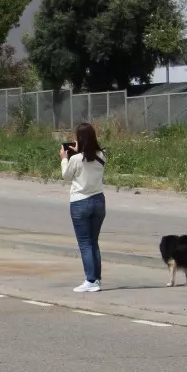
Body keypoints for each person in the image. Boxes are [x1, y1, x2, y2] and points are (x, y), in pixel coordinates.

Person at [59, 122, 107, 291]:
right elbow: (90, 158)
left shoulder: (76, 159)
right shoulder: (102, 154)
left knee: (85, 243)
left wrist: (65, 159)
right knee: (94, 242)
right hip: (98, 201)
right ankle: (96, 279)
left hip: (80, 202)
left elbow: (66, 176)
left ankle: (90, 280)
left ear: (80, 139)